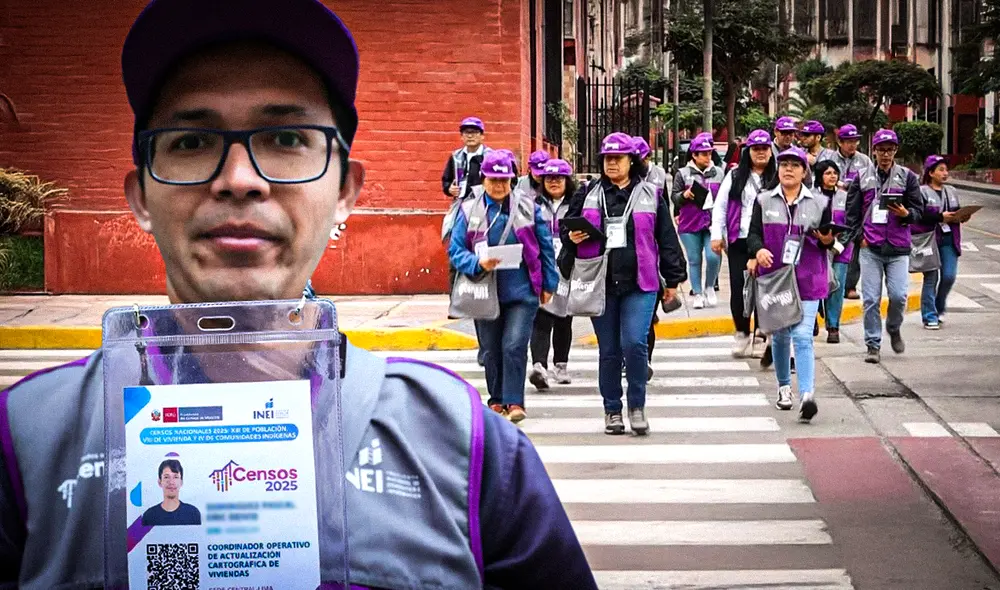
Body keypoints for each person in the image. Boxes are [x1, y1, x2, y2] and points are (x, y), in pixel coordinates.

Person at [0, 2, 598, 588]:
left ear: (345, 192)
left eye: (287, 136)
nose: (239, 180)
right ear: (139, 197)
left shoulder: (465, 445)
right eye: (190, 141)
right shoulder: (26, 444)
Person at [564, 132, 687, 436]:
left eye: (618, 158)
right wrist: (571, 238)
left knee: (634, 343)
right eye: (607, 158)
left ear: (632, 161)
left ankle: (637, 406)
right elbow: (568, 229)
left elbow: (666, 238)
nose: (612, 164)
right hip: (600, 282)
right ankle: (612, 410)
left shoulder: (651, 194)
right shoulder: (588, 193)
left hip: (641, 282)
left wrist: (673, 278)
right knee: (609, 351)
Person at [450, 150, 559, 421]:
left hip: (522, 291)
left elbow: (545, 247)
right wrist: (477, 263)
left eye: (505, 180)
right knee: (490, 349)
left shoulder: (528, 207)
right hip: (484, 292)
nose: (499, 186)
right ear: (484, 179)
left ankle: (515, 402)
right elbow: (455, 249)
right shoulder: (468, 209)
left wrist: (549, 283)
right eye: (493, 180)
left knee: (513, 345)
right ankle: (496, 399)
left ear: (512, 180)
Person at [747, 147, 835, 423]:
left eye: (795, 165)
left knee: (802, 335)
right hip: (776, 279)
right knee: (782, 336)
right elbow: (752, 235)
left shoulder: (820, 203)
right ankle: (784, 387)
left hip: (809, 277)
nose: (788, 169)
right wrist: (758, 250)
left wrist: (826, 240)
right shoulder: (763, 201)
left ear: (804, 172)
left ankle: (807, 395)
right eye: (783, 164)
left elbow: (830, 239)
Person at [844, 129, 924, 365]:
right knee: (870, 299)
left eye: (890, 150)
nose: (885, 154)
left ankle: (893, 326)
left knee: (899, 296)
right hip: (871, 247)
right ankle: (872, 344)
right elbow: (851, 214)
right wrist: (860, 238)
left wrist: (906, 214)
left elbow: (919, 211)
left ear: (895, 151)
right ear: (874, 151)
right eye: (881, 149)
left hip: (899, 247)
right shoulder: (862, 177)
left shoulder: (908, 177)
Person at [711, 129, 777, 357]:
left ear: (770, 151)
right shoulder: (734, 176)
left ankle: (761, 336)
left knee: (763, 291)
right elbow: (719, 205)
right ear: (748, 151)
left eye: (764, 149)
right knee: (739, 290)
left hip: (767, 241)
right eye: (756, 149)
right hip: (738, 239)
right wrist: (716, 235)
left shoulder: (777, 177)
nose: (760, 153)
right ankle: (741, 332)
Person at [529, 159, 577, 389]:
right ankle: (539, 365)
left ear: (568, 181)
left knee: (564, 317)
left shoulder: (577, 204)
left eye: (559, 178)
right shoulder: (533, 205)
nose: (554, 182)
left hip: (568, 267)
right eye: (549, 179)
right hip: (542, 265)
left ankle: (561, 364)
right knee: (541, 317)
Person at [817, 124, 874, 301]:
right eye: (848, 141)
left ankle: (850, 285)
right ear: (839, 142)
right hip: (832, 205)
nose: (852, 145)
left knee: (853, 248)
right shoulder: (827, 156)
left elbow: (871, 182)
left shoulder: (864, 160)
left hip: (857, 208)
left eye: (855, 141)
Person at [672, 134, 724, 309]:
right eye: (703, 154)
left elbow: (725, 198)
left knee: (713, 256)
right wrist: (684, 196)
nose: (707, 157)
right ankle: (697, 292)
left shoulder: (719, 173)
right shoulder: (683, 174)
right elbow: (674, 197)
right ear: (694, 155)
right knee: (694, 259)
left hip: (712, 223)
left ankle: (710, 286)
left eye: (709, 153)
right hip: (689, 223)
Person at [915, 155, 964, 329]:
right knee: (931, 278)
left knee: (949, 276)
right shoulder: (921, 192)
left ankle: (938, 306)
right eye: (941, 170)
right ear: (931, 173)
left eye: (946, 170)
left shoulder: (951, 191)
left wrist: (962, 216)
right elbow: (918, 216)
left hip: (949, 239)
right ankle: (929, 315)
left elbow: (956, 211)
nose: (945, 173)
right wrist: (939, 217)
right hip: (929, 240)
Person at [814, 160, 851, 344]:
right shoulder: (811, 197)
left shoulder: (846, 197)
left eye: (835, 173)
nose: (832, 176)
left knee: (836, 286)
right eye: (828, 173)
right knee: (816, 285)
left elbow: (852, 223)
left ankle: (833, 326)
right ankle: (812, 316)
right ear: (820, 176)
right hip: (816, 248)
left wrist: (838, 245)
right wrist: (820, 240)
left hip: (841, 250)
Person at [140, 459, 202, 526]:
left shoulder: (193, 513)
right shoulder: (149, 516)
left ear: (181, 482)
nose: (171, 482)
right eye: (166, 477)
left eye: (175, 477)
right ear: (160, 482)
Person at [442, 116, 489, 200]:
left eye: (474, 132)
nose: (470, 136)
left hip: (485, 202)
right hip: (461, 202)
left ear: (482, 135)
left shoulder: (490, 156)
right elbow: (446, 180)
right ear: (461, 136)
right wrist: (449, 188)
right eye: (466, 132)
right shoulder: (456, 156)